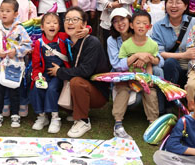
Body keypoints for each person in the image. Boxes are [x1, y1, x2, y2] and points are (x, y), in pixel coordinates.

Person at [53, 7, 108, 138]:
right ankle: (68, 112)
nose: (70, 22)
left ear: (83, 24)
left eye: (75, 19)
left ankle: (83, 120)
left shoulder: (92, 42)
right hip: (77, 88)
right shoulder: (65, 40)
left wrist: (60, 72)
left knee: (76, 81)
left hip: (96, 92)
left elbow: (85, 71)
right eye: (67, 19)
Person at [0, 0, 32, 129]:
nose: (4, 13)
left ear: (16, 14)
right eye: (2, 11)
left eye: (8, 11)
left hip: (14, 65)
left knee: (14, 90)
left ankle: (15, 114)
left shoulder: (20, 29)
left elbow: (28, 46)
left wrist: (16, 51)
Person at [113, 10, 160, 138]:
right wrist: (135, 58)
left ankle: (153, 123)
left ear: (149, 26)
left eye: (145, 23)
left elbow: (150, 64)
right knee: (123, 91)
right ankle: (118, 123)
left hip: (143, 77)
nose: (141, 26)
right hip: (127, 78)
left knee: (150, 92)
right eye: (138, 23)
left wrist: (149, 78)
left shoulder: (152, 44)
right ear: (132, 25)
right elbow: (122, 64)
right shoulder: (126, 45)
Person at [150, 0, 195, 88]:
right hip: (171, 70)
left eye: (178, 3)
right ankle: (170, 95)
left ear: (185, 6)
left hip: (193, 70)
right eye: (170, 2)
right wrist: (184, 55)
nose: (173, 6)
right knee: (170, 62)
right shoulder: (158, 26)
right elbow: (158, 53)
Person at [31, 12, 69, 134]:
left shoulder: (63, 37)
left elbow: (78, 31)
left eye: (55, 23)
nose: (52, 25)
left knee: (52, 89)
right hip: (44, 73)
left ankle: (55, 117)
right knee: (37, 87)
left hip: (59, 73)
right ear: (42, 27)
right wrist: (37, 76)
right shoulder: (39, 43)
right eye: (48, 23)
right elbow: (36, 63)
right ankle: (42, 116)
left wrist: (88, 29)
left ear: (59, 26)